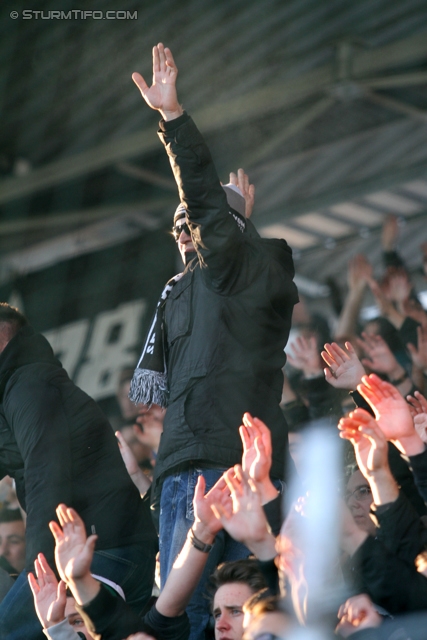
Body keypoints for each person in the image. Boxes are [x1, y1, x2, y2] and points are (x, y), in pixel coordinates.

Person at [130, 44, 298, 639]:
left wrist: (172, 121)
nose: (183, 230)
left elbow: (205, 204)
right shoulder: (186, 289)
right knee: (192, 617)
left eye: (193, 223)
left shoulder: (233, 269)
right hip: (182, 464)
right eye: (176, 223)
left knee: (225, 613)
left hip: (225, 468)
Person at [0, 304, 157, 640]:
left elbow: (47, 475)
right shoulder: (19, 389)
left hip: (107, 550)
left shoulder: (30, 385)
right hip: (102, 550)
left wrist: (41, 565)